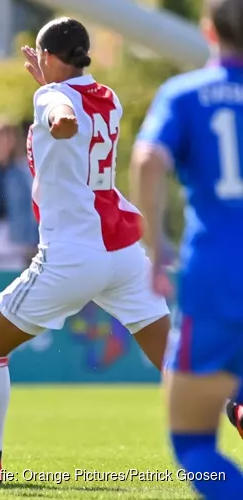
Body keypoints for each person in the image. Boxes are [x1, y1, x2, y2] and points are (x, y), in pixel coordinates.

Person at [0, 17, 172, 490]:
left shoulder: (51, 99)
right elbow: (70, 98)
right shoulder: (109, 98)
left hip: (72, 255)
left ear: (46, 57)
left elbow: (61, 108)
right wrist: (54, 92)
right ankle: (236, 407)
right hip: (122, 252)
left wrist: (56, 109)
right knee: (174, 360)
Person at [130, 0, 243, 496]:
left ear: (207, 30)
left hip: (217, 271)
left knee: (194, 442)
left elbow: (149, 158)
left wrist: (157, 252)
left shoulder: (186, 93)